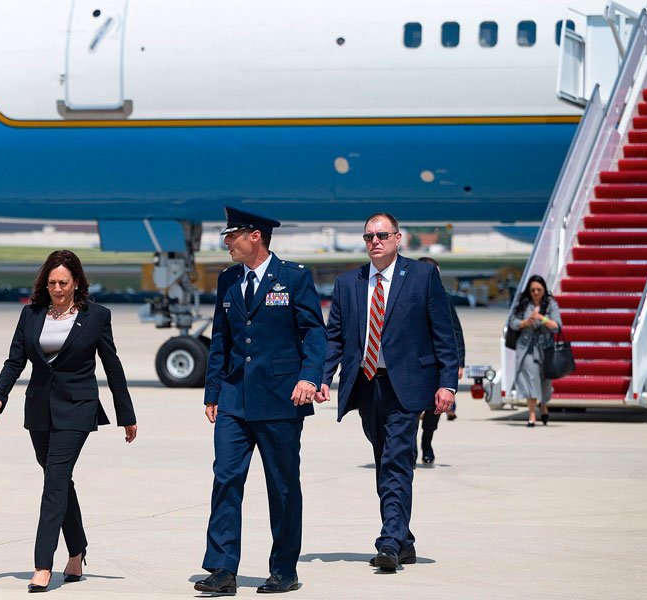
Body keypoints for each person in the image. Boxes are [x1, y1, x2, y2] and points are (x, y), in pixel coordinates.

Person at [0, 249, 137, 593]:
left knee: (54, 481)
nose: (57, 288)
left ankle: (42, 565)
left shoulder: (96, 316)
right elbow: (15, 361)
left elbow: (112, 367)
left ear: (77, 283)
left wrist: (125, 415)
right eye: (52, 282)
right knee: (60, 480)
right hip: (39, 408)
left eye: (63, 283)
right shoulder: (31, 314)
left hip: (78, 408)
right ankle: (78, 550)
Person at [194, 206, 327, 595]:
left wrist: (309, 377)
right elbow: (222, 339)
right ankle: (222, 569)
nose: (225, 242)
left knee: (282, 485)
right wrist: (213, 391)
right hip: (234, 398)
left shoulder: (294, 277)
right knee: (225, 478)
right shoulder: (229, 280)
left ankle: (284, 569)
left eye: (231, 235)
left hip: (281, 398)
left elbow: (314, 334)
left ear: (255, 236)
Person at [317, 213, 458, 572]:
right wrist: (322, 376)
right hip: (367, 385)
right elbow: (335, 337)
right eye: (368, 236)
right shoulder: (348, 283)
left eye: (381, 235)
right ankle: (404, 539)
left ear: (398, 238)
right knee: (385, 461)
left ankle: (389, 540)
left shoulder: (423, 277)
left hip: (408, 385)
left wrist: (447, 383)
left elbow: (443, 333)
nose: (375, 241)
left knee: (396, 458)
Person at [414, 256, 466, 466]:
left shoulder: (443, 297)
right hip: (413, 363)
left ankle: (427, 442)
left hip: (436, 363)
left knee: (433, 409)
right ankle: (410, 449)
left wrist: (459, 362)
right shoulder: (405, 295)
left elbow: (455, 331)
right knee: (410, 410)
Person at [507, 275, 561, 427]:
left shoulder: (551, 304)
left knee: (544, 380)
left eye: (539, 289)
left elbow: (557, 325)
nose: (536, 293)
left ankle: (543, 404)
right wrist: (525, 322)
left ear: (544, 290)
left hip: (545, 347)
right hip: (526, 347)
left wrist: (541, 318)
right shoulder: (524, 304)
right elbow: (512, 322)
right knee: (530, 378)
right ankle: (532, 414)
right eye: (533, 290)